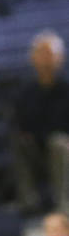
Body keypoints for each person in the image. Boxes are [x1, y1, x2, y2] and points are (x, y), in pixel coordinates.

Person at [9, 31, 69, 215]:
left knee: (59, 143)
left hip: (63, 150)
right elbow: (21, 123)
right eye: (41, 54)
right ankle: (28, 202)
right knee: (19, 142)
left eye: (50, 54)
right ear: (32, 58)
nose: (45, 60)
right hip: (37, 151)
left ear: (60, 58)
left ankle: (64, 205)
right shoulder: (25, 92)